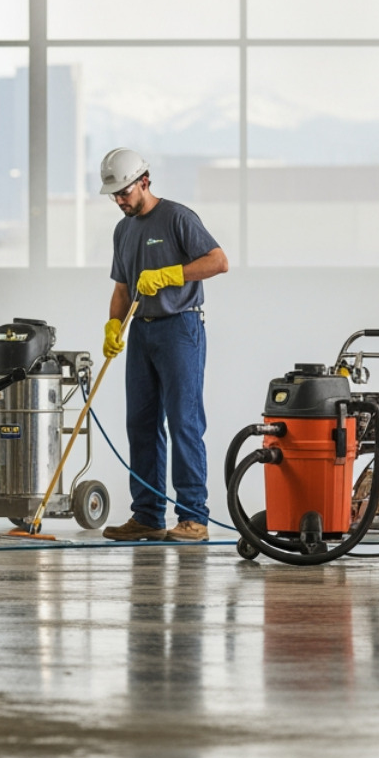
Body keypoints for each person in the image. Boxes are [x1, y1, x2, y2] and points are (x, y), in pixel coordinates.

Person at [96, 148, 228, 543]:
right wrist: (113, 327)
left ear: (145, 181)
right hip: (142, 332)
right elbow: (122, 286)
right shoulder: (123, 230)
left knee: (184, 421)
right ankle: (148, 515)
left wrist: (172, 274)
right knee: (141, 423)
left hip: (180, 329)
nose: (120, 200)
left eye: (125, 192)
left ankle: (193, 517)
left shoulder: (177, 218)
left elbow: (218, 261)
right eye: (115, 195)